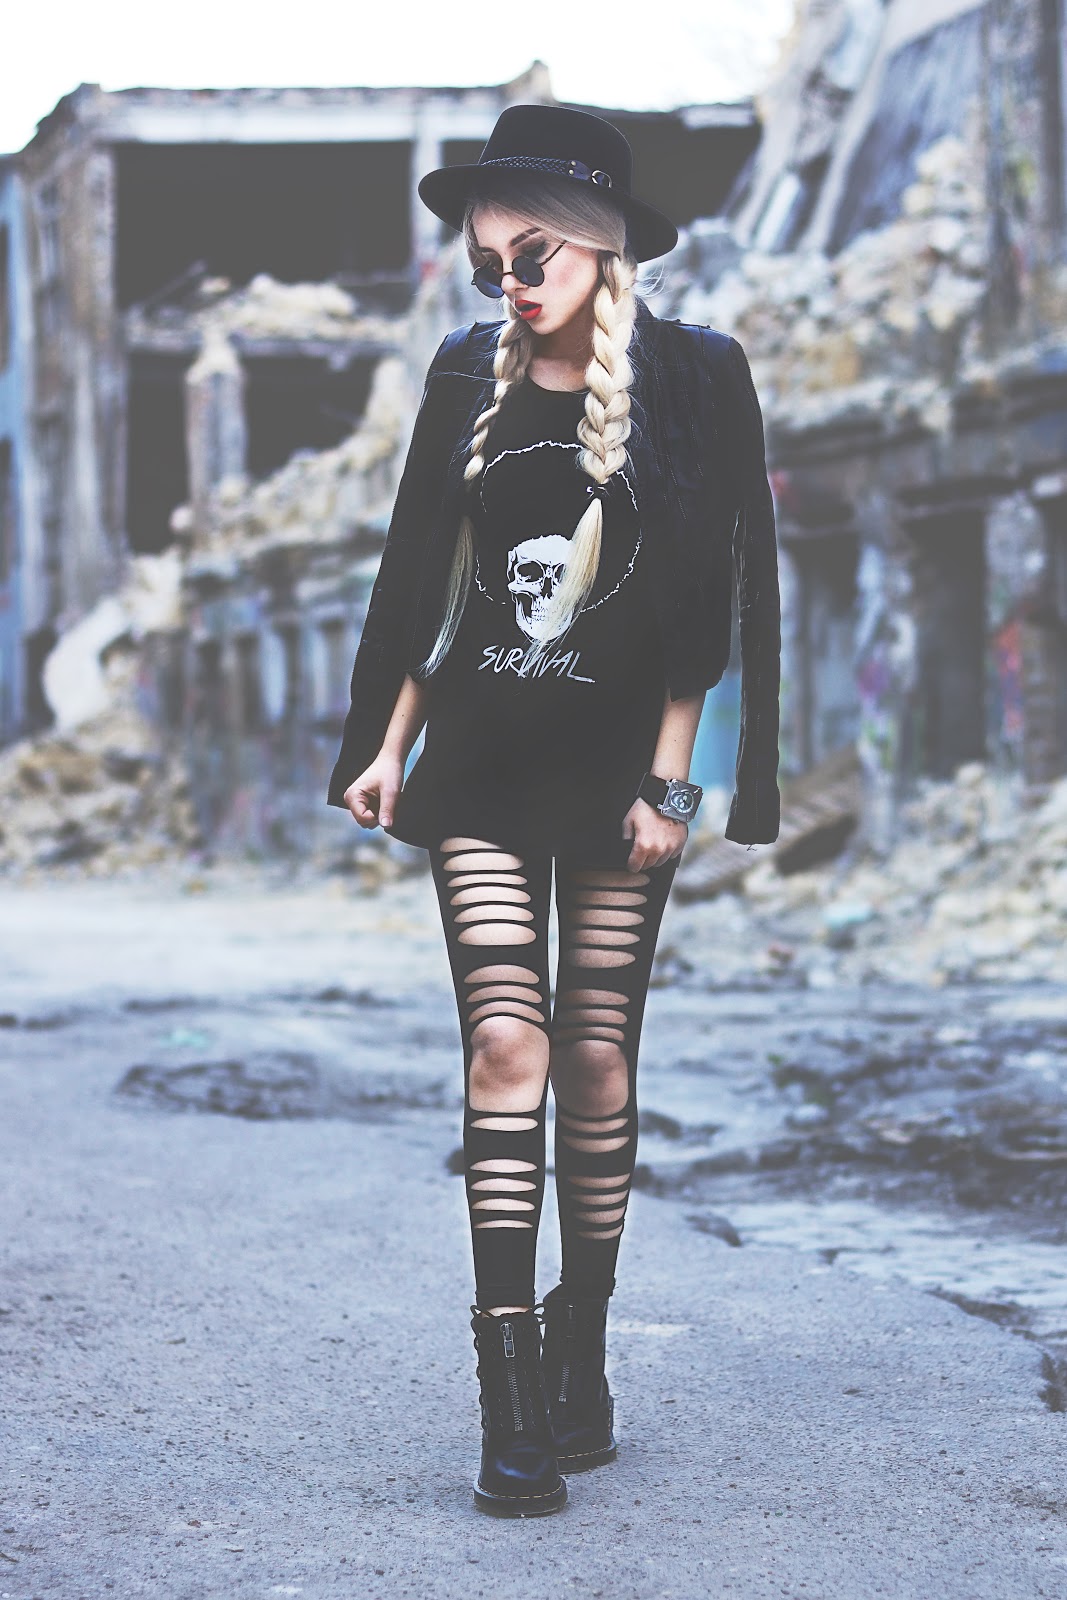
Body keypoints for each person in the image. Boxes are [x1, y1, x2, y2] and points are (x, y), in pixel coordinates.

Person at [326, 103, 782, 1517]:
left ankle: (584, 1340)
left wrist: (672, 783)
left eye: (532, 255)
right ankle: (510, 1397)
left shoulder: (695, 376)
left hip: (619, 773)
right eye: (488, 264)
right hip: (481, 761)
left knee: (594, 1063)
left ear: (602, 245)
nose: (509, 284)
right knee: (506, 1042)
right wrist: (387, 745)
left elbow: (709, 602)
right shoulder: (466, 375)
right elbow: (429, 580)